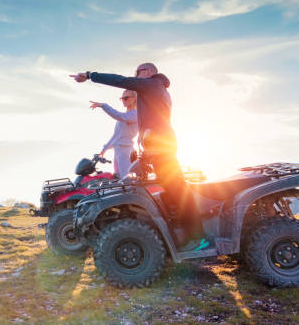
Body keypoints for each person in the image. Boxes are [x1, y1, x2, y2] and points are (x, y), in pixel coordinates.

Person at [70, 63, 204, 242]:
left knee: (177, 190)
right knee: (171, 191)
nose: (134, 77)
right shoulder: (154, 91)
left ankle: (198, 238)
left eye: (137, 73)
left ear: (147, 72)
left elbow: (120, 80)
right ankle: (180, 232)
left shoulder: (152, 85)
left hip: (161, 148)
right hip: (156, 149)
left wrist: (89, 75)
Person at [90, 89, 139, 178]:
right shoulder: (125, 117)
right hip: (118, 151)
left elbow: (118, 115)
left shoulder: (135, 114)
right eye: (122, 98)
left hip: (126, 151)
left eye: (126, 98)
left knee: (126, 179)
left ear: (134, 99)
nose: (123, 100)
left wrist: (103, 105)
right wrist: (104, 149)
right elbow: (116, 136)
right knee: (118, 178)